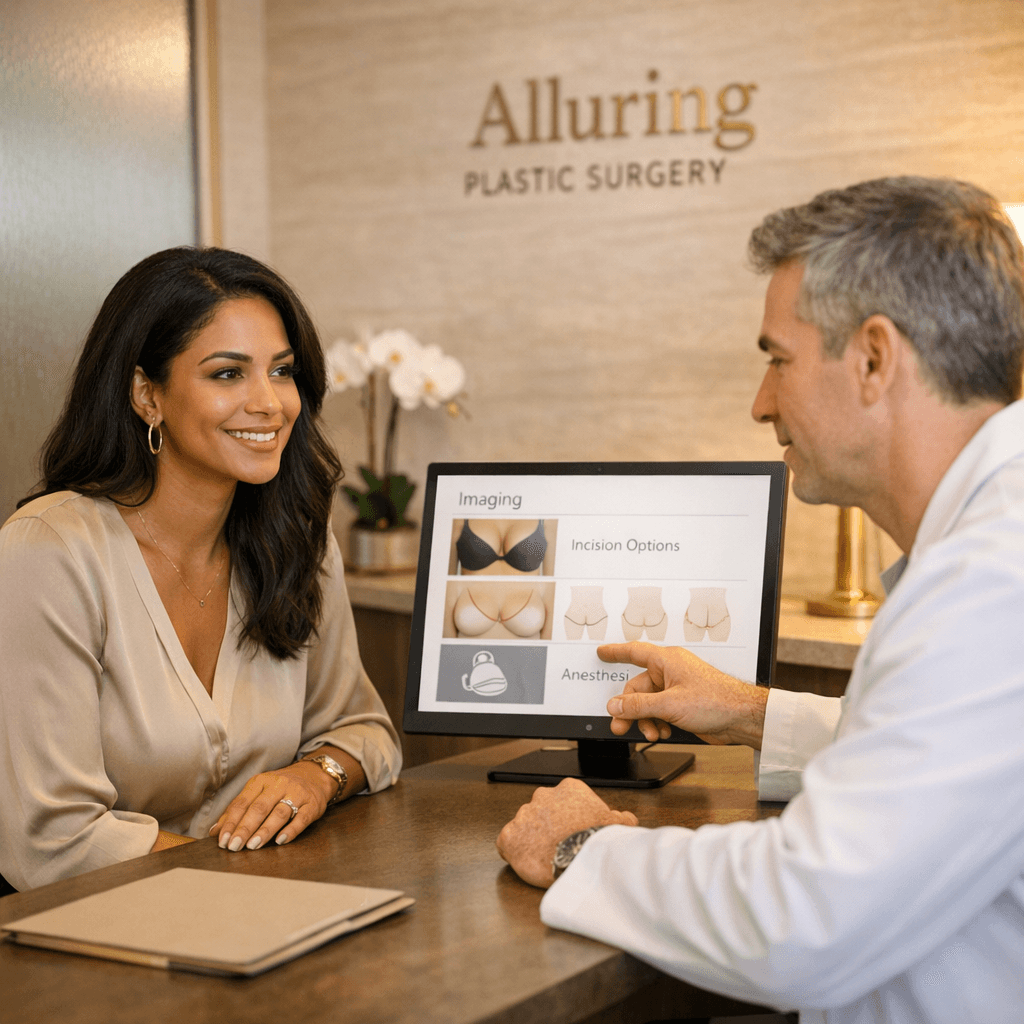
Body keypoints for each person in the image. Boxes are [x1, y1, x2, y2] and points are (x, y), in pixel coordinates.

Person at [497, 177, 1024, 1023]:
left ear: (875, 359)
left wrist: (585, 846)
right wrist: (750, 712)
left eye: (777, 358)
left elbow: (801, 922)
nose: (760, 402)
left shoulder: (993, 585)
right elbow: (938, 760)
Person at [0, 247, 402, 892]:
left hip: (257, 914)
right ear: (145, 394)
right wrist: (250, 892)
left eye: (282, 371)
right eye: (226, 374)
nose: (269, 403)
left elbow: (363, 731)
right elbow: (54, 839)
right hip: (90, 943)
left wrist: (315, 777)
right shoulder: (48, 551)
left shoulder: (297, 535)